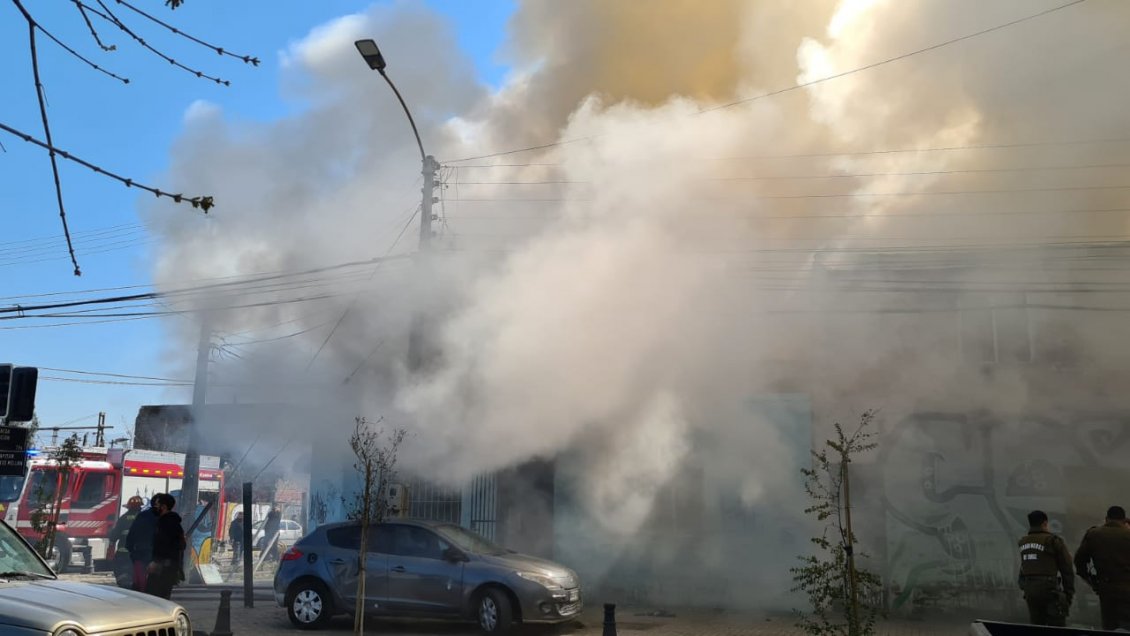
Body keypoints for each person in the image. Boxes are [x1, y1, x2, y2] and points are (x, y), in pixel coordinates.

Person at [1075, 505, 1130, 631]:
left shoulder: (1094, 534)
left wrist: (1092, 582)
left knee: (1109, 627)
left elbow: (1079, 561)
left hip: (1106, 589)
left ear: (1106, 519)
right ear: (1124, 520)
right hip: (1128, 590)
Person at [1017, 510, 1074, 626]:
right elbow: (1067, 568)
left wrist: (1025, 586)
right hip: (1050, 590)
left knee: (1037, 625)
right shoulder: (1052, 541)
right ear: (1045, 523)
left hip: (1030, 591)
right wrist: (1068, 595)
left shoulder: (1023, 542)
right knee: (1056, 627)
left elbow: (1023, 568)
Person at [146, 493, 186, 600]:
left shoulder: (167, 522)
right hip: (168, 567)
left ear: (163, 506)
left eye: (157, 505)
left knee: (155, 597)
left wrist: (156, 562)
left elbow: (163, 544)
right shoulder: (171, 521)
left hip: (163, 568)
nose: (155, 507)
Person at [124, 495, 160, 593]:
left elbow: (131, 535)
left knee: (140, 581)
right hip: (156, 555)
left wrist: (131, 550)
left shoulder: (142, 516)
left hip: (140, 553)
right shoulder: (165, 517)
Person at [108, 496, 144, 588]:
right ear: (140, 507)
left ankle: (125, 587)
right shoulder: (145, 518)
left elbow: (114, 535)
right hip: (140, 554)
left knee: (122, 574)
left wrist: (111, 546)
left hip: (123, 554)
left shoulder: (123, 518)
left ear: (128, 507)